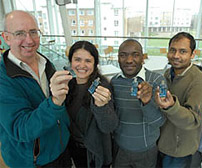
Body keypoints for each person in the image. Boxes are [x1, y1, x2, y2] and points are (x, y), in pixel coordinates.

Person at [0, 10, 72, 167]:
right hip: (33, 161)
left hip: (61, 150)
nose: (29, 40)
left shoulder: (45, 62)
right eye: (20, 33)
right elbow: (21, 129)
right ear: (6, 38)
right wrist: (55, 102)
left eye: (33, 32)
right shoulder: (3, 77)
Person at [155, 32, 202, 168]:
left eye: (183, 51)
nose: (176, 56)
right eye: (172, 50)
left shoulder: (199, 80)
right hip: (161, 143)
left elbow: (194, 120)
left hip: (178, 151)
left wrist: (171, 106)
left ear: (192, 54)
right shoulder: (168, 73)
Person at [60, 40, 118, 167]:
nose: (82, 65)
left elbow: (109, 126)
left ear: (95, 63)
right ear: (70, 62)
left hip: (96, 153)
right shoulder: (68, 85)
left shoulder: (103, 88)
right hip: (75, 150)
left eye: (88, 61)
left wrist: (101, 107)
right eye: (77, 59)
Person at [111, 39, 166, 168]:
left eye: (135, 55)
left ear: (143, 58)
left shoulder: (157, 80)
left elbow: (159, 122)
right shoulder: (114, 82)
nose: (129, 60)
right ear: (118, 58)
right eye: (123, 55)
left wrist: (147, 102)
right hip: (120, 149)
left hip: (147, 151)